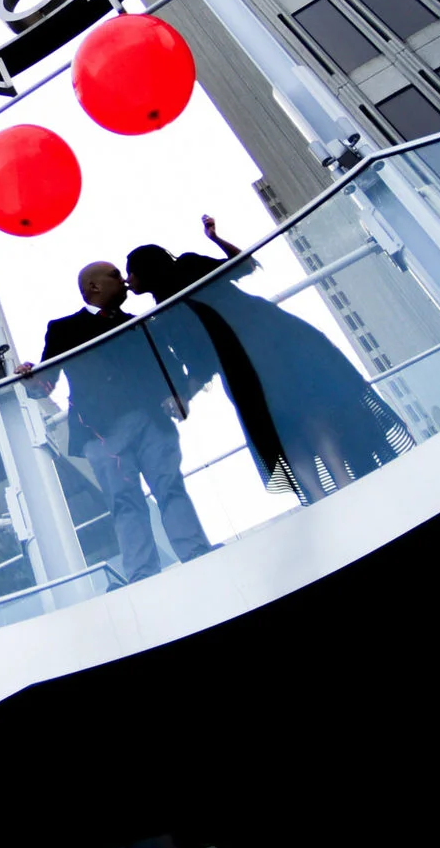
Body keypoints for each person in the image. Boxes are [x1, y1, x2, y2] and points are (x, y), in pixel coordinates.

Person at [128, 216, 410, 504]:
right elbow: (203, 358)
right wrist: (185, 396)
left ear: (144, 270)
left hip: (264, 346)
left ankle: (330, 488)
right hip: (258, 347)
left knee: (295, 418)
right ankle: (332, 487)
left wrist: (215, 239)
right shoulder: (166, 311)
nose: (128, 281)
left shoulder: (181, 280)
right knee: (294, 421)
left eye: (131, 273)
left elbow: (242, 269)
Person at [23, 260, 213, 583]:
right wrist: (29, 377)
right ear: (93, 287)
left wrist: (180, 395)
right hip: (102, 433)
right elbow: (46, 383)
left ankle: (196, 554)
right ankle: (143, 576)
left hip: (153, 422)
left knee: (170, 487)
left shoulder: (144, 323)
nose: (124, 280)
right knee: (125, 503)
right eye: (114, 275)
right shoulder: (64, 329)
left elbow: (168, 365)